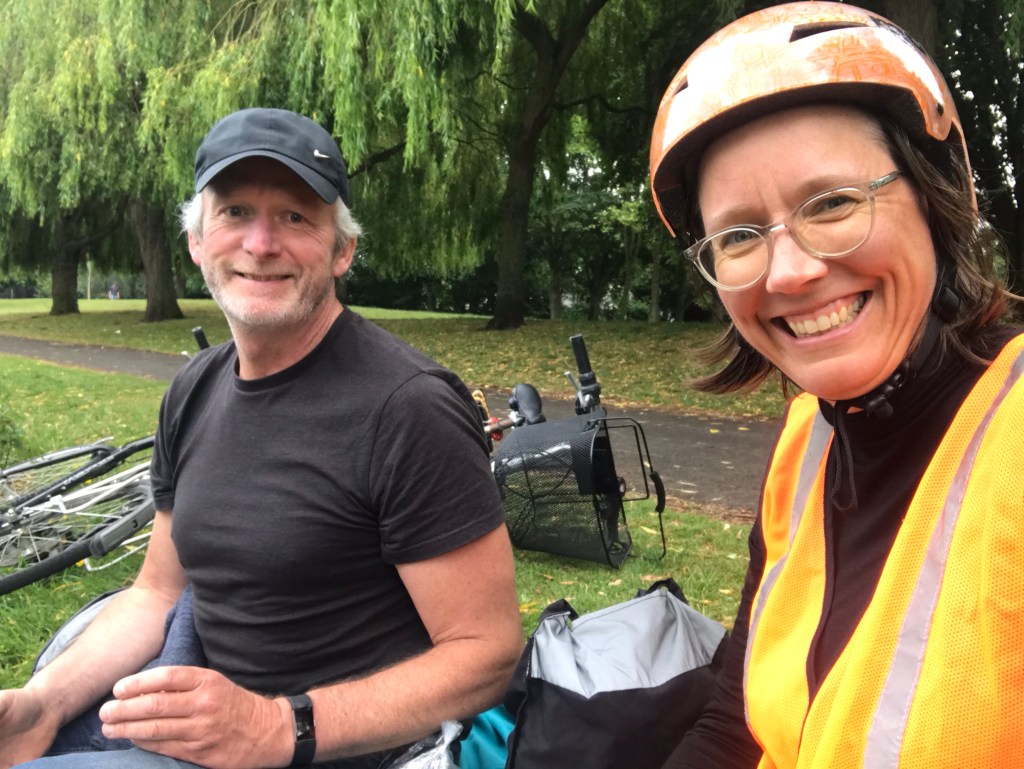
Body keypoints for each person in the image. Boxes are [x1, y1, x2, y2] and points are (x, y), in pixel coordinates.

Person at [0, 107, 522, 769]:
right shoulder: (193, 390)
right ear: (198, 241)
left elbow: (485, 653)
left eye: (296, 217)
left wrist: (278, 726)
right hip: (201, 717)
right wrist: (42, 705)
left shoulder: (408, 409)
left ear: (342, 250)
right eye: (236, 212)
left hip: (345, 751)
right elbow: (156, 594)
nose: (261, 243)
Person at [648, 4, 1023, 768]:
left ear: (938, 199)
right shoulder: (805, 443)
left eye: (833, 204)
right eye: (739, 236)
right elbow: (737, 717)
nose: (789, 272)